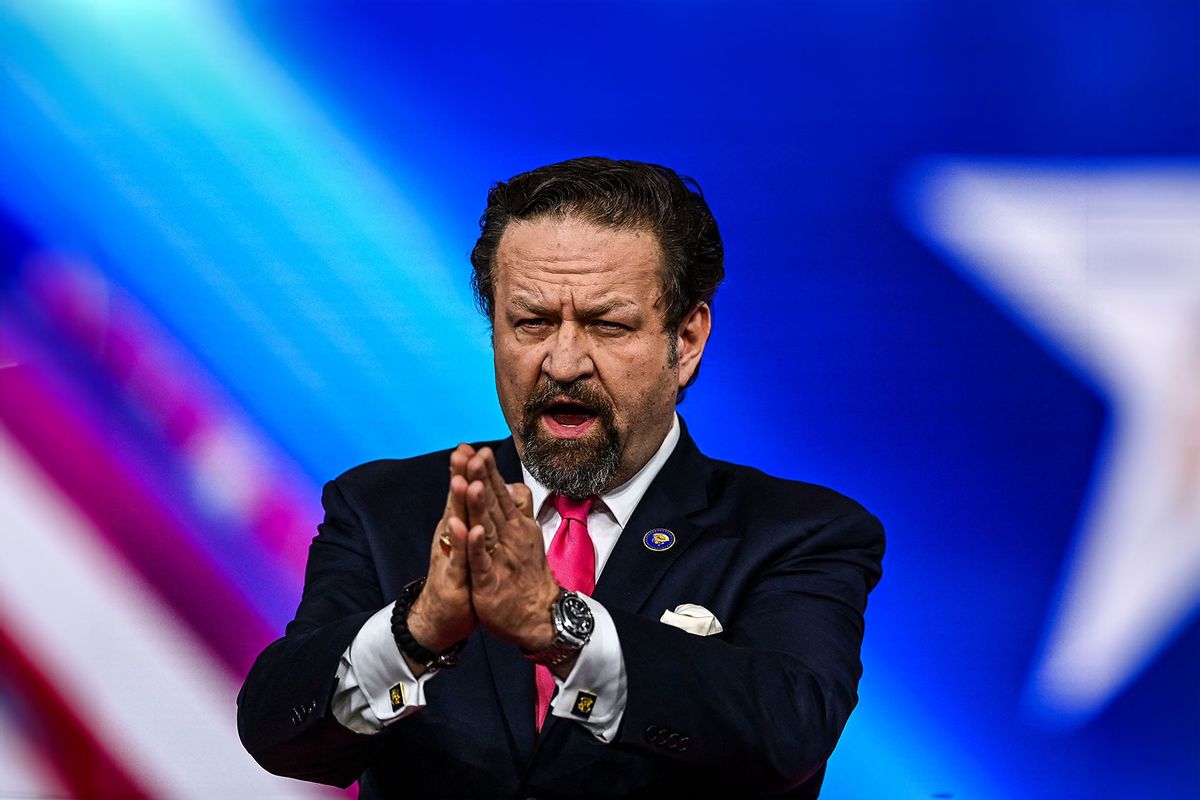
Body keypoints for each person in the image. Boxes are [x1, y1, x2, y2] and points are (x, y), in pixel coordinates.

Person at [236, 157, 885, 799]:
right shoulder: (387, 508)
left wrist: (557, 626)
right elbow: (279, 730)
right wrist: (418, 629)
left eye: (607, 324)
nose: (564, 362)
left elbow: (786, 735)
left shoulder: (799, 534)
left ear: (685, 340)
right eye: (533, 322)